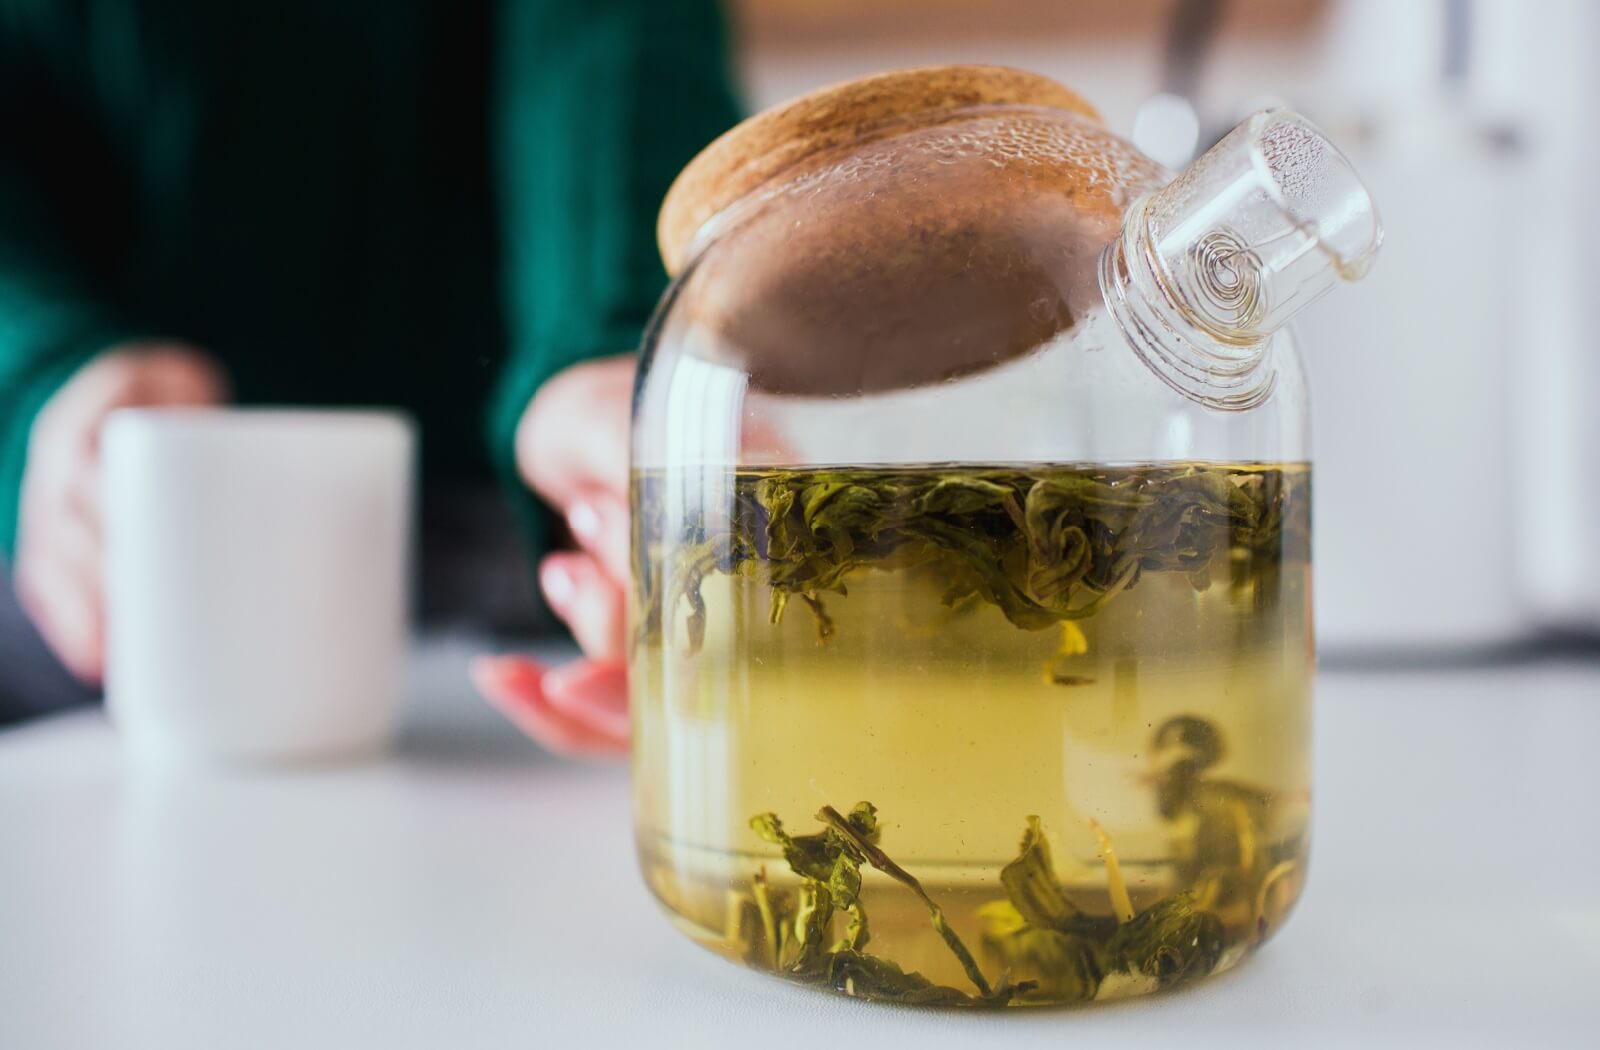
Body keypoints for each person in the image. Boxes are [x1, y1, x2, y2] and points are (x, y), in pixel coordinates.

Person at [0, 0, 739, 754]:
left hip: (509, 518)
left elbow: (613, 35)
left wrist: (607, 348)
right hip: (99, 509)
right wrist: (42, 363)